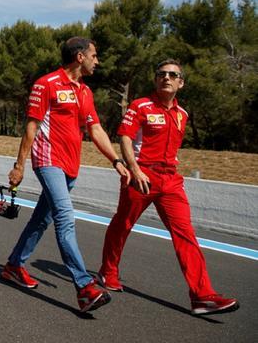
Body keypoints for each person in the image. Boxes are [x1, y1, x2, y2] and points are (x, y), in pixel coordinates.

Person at [98, 59, 239, 315]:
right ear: (155, 79)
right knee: (122, 225)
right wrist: (135, 169)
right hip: (141, 175)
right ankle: (108, 272)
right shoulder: (140, 105)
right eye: (161, 74)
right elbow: (126, 137)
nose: (166, 78)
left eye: (172, 75)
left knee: (186, 234)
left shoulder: (182, 115)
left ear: (180, 83)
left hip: (171, 181)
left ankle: (202, 296)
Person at [1, 37, 130, 313]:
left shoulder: (85, 92)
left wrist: (116, 160)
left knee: (41, 220)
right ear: (80, 57)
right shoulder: (46, 84)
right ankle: (84, 287)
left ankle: (14, 265)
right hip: (48, 161)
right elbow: (31, 127)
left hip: (71, 166)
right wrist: (19, 165)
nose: (98, 61)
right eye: (94, 56)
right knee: (65, 217)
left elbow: (95, 130)